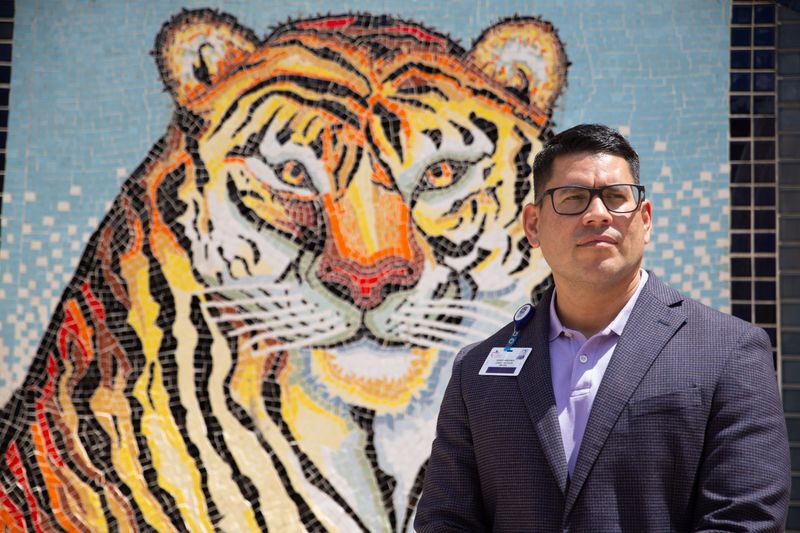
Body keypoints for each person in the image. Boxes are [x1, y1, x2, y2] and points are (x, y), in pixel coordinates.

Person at [414, 124, 790, 532]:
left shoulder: (728, 351)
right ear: (534, 225)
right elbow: (446, 520)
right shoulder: (477, 371)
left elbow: (744, 520)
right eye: (573, 199)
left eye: (615, 198)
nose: (598, 214)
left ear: (644, 221)